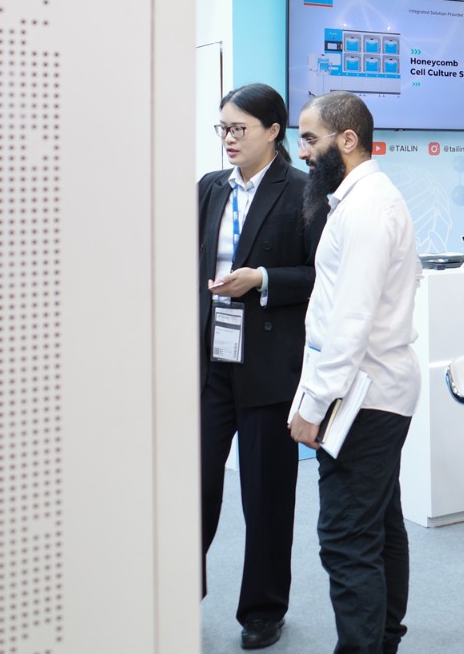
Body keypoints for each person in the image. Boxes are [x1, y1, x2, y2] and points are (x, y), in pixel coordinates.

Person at [288, 92, 423, 654]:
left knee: (346, 538)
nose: (302, 152)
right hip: (370, 390)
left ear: (347, 139)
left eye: (309, 139)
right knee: (380, 525)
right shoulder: (360, 200)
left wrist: (313, 404)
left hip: (362, 397)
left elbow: (350, 322)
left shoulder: (366, 208)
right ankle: (383, 639)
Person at [199, 84, 324, 652]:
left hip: (269, 365)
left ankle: (264, 609)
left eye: (239, 129)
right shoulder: (209, 189)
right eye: (222, 128)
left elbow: (319, 274)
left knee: (266, 495)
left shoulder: (302, 191)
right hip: (210, 362)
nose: (228, 139)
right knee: (194, 487)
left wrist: (263, 279)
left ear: (273, 131)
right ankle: (178, 593)